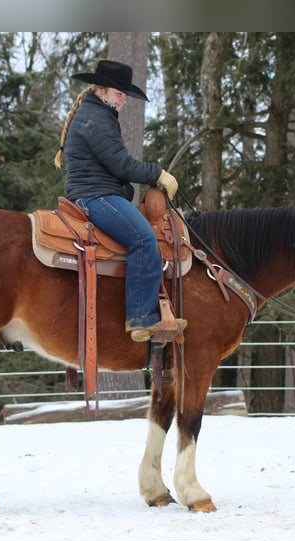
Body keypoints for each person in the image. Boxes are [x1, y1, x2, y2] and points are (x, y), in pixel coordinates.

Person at [54, 59, 186, 342]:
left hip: (95, 192)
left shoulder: (97, 114)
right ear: (101, 89)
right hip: (95, 196)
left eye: (125, 96)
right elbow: (121, 165)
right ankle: (141, 317)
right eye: (119, 94)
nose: (123, 100)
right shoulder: (97, 119)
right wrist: (159, 174)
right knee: (143, 240)